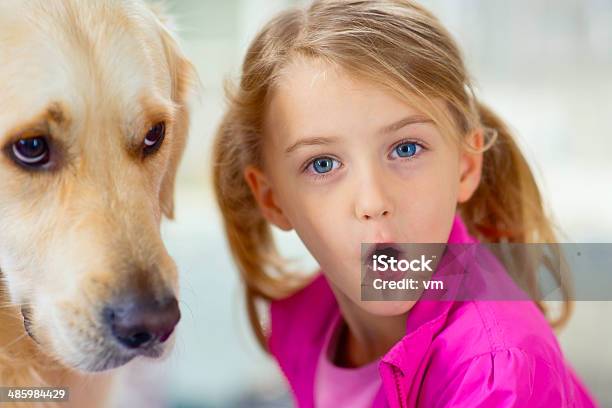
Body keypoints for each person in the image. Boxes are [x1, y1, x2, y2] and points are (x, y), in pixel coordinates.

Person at [212, 0, 598, 406]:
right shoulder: (307, 323)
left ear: (465, 167)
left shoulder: (496, 372)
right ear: (273, 200)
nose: (373, 201)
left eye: (406, 148)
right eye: (322, 164)